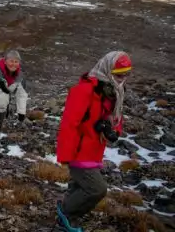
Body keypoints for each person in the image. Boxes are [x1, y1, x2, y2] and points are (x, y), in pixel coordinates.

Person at [55, 51, 132, 232]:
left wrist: (112, 131)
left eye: (126, 74)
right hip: (79, 151)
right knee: (97, 189)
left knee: (78, 186)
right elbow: (69, 124)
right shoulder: (84, 91)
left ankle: (64, 214)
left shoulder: (114, 91)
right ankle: (67, 214)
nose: (123, 79)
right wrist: (66, 155)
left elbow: (116, 118)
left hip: (95, 150)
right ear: (107, 70)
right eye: (119, 74)